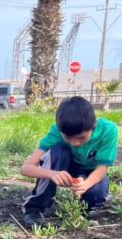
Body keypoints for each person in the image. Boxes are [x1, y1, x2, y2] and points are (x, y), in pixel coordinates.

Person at [20, 96, 118, 227]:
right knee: (58, 152)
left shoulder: (108, 130)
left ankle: (85, 205)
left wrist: (85, 184)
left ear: (94, 124)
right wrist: (52, 174)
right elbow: (26, 168)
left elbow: (102, 168)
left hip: (91, 171)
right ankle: (34, 209)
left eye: (81, 137)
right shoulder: (57, 131)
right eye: (67, 138)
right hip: (65, 166)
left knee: (96, 195)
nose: (75, 143)